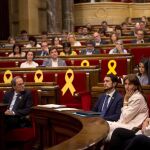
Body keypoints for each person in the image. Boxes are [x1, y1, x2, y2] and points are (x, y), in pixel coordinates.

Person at [106, 74, 149, 141]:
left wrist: (125, 101)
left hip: (133, 129)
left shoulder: (138, 98)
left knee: (106, 125)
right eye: (125, 84)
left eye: (130, 84)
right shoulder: (132, 95)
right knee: (104, 132)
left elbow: (125, 117)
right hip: (125, 125)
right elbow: (123, 118)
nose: (127, 87)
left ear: (136, 86)